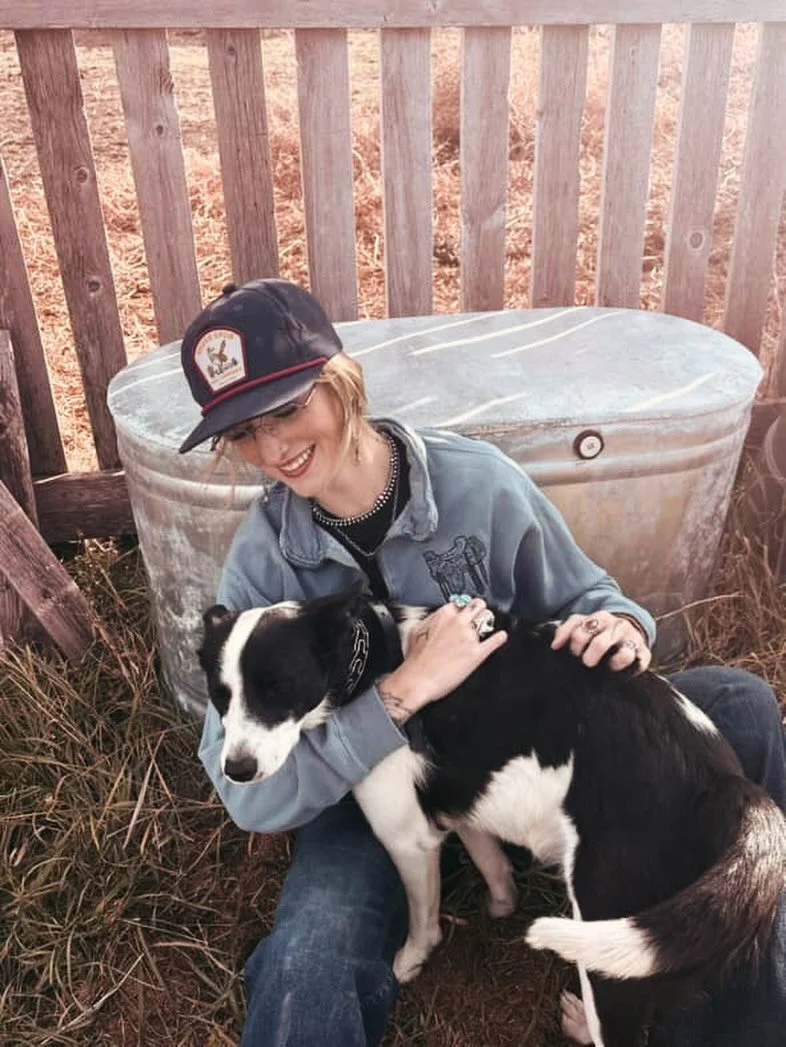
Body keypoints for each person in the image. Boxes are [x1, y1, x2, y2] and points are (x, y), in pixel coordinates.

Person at [178, 278, 786, 1047]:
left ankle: (740, 1006)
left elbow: (585, 595)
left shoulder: (475, 482)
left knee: (740, 705)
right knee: (309, 958)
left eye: (287, 410)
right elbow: (250, 798)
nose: (272, 450)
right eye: (243, 433)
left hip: (531, 765)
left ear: (340, 382)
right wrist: (398, 696)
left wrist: (620, 626)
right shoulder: (263, 561)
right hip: (366, 808)